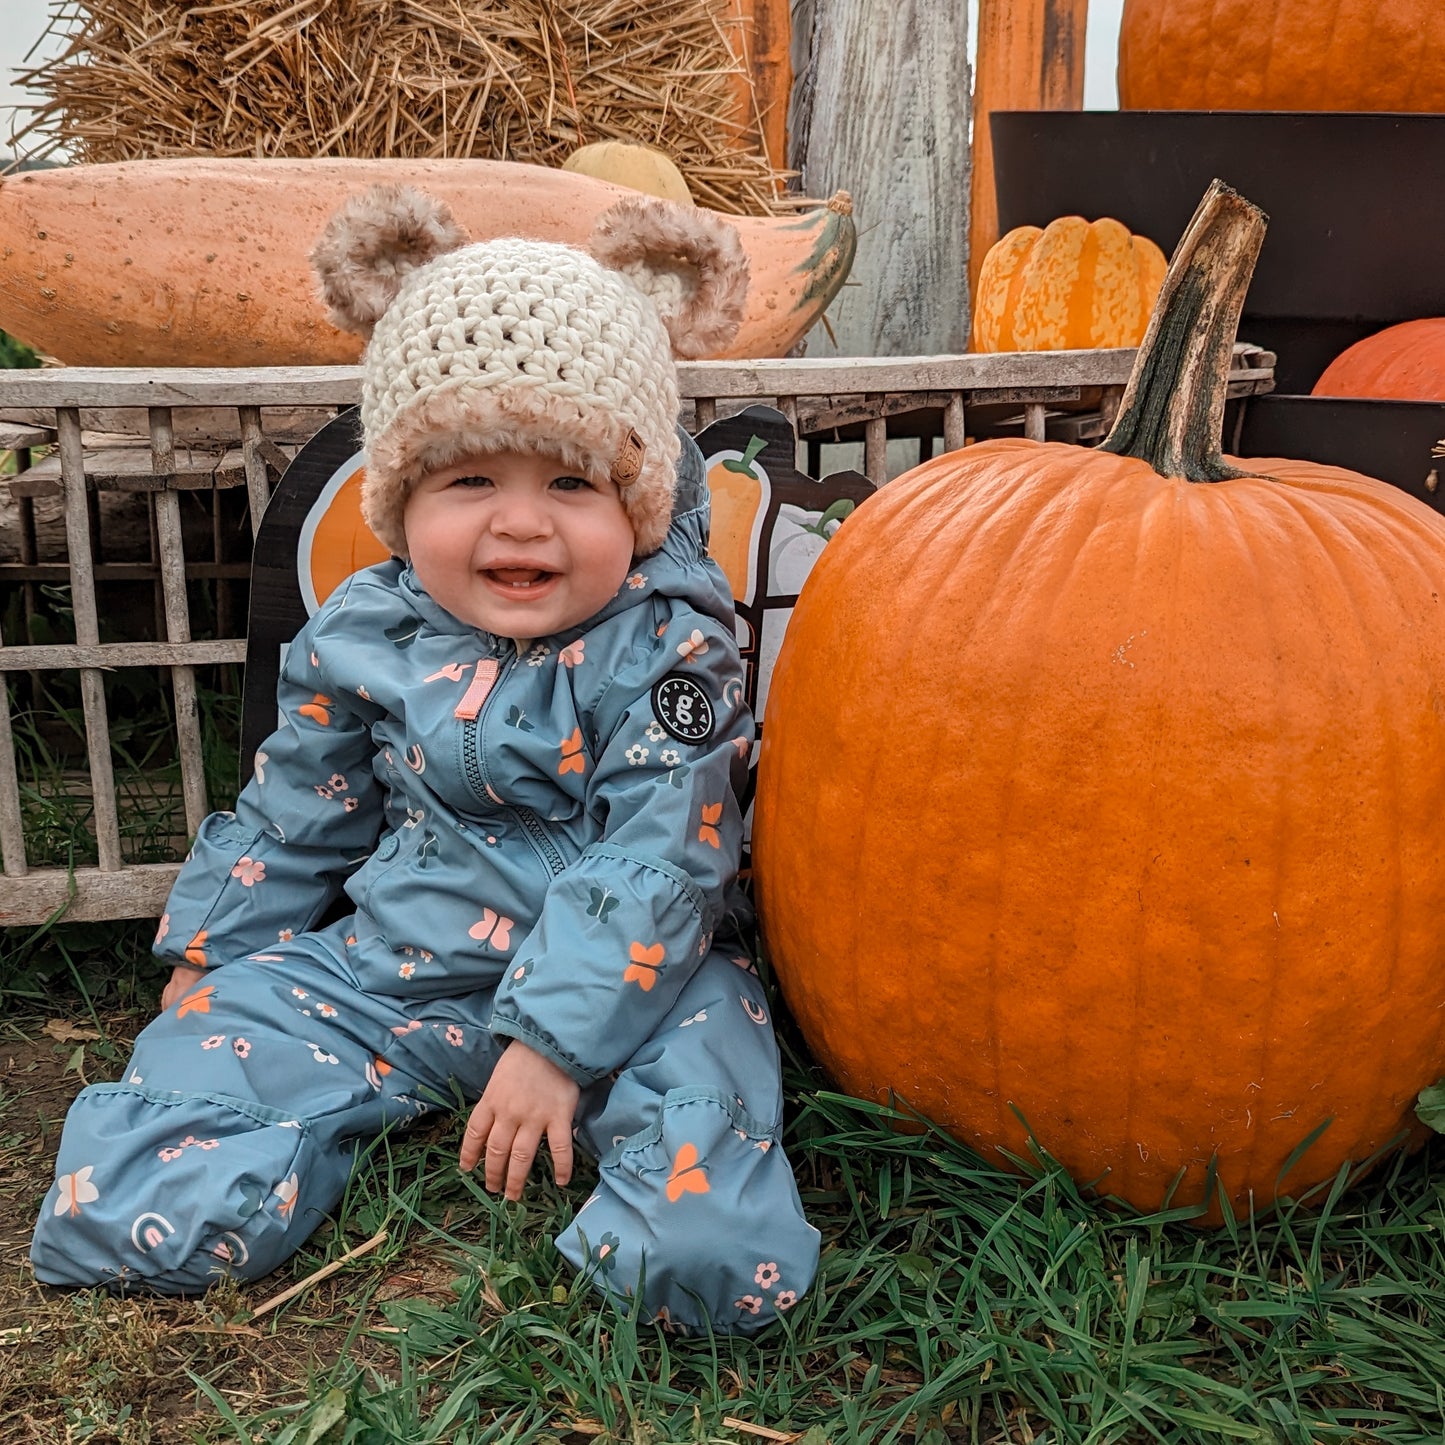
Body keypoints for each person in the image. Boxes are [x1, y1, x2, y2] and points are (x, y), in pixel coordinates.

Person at [30, 184, 819, 1334]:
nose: (520, 521)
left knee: (706, 1087)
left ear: (639, 502)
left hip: (637, 983)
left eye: (570, 481)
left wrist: (554, 1040)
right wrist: (216, 946)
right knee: (205, 1046)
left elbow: (667, 851)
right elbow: (295, 806)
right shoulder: (367, 629)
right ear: (401, 500)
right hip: (397, 967)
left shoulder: (670, 648)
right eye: (469, 479)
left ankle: (678, 1253)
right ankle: (184, 1199)